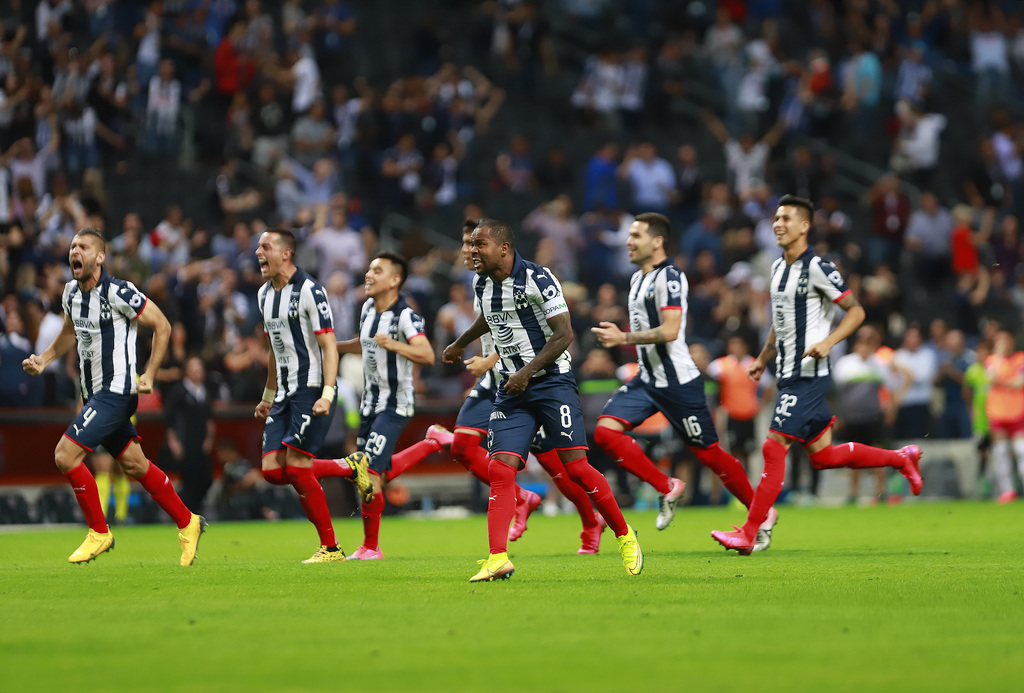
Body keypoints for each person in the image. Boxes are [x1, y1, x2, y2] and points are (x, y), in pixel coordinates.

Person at [711, 195, 923, 554]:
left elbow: (856, 312)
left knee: (773, 445)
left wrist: (828, 341)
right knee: (824, 456)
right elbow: (780, 321)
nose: (778, 224)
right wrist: (763, 357)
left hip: (809, 374)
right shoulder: (777, 268)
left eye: (787, 218)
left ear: (805, 226)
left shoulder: (819, 267)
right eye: (776, 218)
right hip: (787, 373)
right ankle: (901, 458)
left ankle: (750, 531)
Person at [443, 218, 643, 582]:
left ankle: (624, 535)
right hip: (512, 387)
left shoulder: (538, 278)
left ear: (503, 248)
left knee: (576, 468)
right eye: (471, 244)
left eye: (480, 244)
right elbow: (490, 318)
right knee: (500, 468)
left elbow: (564, 334)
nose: (472, 251)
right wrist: (460, 343)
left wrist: (526, 372)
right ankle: (497, 557)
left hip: (552, 383)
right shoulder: (481, 282)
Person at [21, 228, 206, 565]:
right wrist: (43, 360)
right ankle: (188, 522)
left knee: (65, 455)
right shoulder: (70, 293)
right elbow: (69, 332)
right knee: (134, 464)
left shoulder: (119, 292)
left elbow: (162, 325)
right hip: (94, 395)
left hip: (117, 392)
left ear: (100, 257)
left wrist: (150, 373)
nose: (75, 251)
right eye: (72, 246)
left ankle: (99, 531)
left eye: (83, 246)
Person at [590, 214, 764, 545]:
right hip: (647, 379)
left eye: (636, 235)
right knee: (605, 433)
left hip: (678, 382)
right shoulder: (637, 279)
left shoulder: (670, 276)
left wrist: (624, 339)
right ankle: (666, 485)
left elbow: (671, 330)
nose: (628, 241)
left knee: (709, 454)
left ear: (657, 241)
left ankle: (760, 511)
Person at [325, 252, 449, 559]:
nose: (368, 275)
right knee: (369, 475)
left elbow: (427, 354)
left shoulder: (405, 316)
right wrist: (332, 347)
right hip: (369, 402)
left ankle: (371, 547)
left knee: (367, 472)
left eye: (377, 271)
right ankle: (432, 442)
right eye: (369, 269)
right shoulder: (368, 308)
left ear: (395, 280)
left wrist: (393, 343)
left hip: (395, 403)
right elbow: (365, 343)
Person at [253, 227, 366, 564]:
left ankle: (331, 548)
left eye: (265, 247)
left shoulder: (310, 290)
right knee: (272, 471)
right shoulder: (264, 294)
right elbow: (274, 348)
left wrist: (328, 393)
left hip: (311, 387)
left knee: (299, 467)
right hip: (283, 393)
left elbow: (329, 346)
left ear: (286, 253)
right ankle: (348, 466)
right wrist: (268, 394)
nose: (258, 253)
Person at [162, 356, 216, 514]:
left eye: (200, 369)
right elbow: (169, 418)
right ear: (187, 371)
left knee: (206, 478)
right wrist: (173, 441)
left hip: (201, 442)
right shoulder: (178, 391)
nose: (198, 372)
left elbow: (209, 418)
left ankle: (194, 508)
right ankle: (185, 512)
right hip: (184, 441)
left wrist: (209, 438)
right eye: (194, 369)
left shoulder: (204, 392)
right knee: (188, 479)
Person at [985, 330, 1024, 504]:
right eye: (1000, 341)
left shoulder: (1021, 358)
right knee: (1001, 452)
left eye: (1006, 340)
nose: (1004, 344)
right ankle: (1007, 490)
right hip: (997, 411)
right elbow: (990, 378)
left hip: (1018, 410)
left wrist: (1001, 383)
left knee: (1021, 450)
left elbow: (1020, 383)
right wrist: (999, 358)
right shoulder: (992, 360)